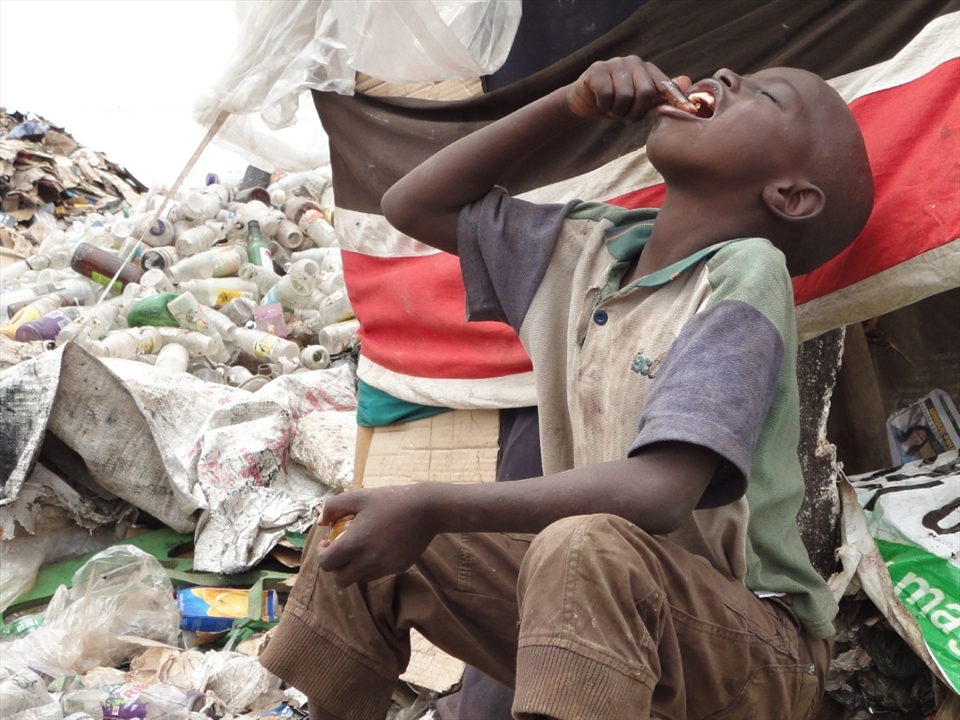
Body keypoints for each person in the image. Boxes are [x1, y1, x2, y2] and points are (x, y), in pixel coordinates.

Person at [260, 56, 874, 719]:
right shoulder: (586, 248)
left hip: (755, 653)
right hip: (599, 598)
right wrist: (568, 104)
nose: (723, 76)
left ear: (790, 195)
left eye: (764, 95)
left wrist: (437, 503)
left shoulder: (748, 274)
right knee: (367, 534)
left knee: (579, 543)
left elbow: (661, 492)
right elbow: (411, 203)